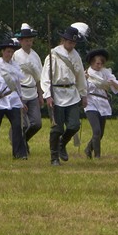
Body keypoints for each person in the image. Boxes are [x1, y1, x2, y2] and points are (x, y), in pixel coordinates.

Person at [41, 26, 88, 165]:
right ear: (64, 40)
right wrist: (47, 95)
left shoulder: (76, 56)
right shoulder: (53, 55)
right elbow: (46, 77)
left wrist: (83, 94)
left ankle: (62, 144)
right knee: (57, 128)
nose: (71, 44)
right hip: (56, 93)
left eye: (73, 42)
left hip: (72, 93)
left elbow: (80, 76)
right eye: (69, 42)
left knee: (74, 125)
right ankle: (54, 157)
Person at [0, 37, 28, 159]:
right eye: (8, 51)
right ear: (2, 51)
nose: (10, 54)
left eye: (12, 52)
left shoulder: (16, 66)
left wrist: (21, 101)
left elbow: (17, 85)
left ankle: (19, 154)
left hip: (13, 100)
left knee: (17, 126)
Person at [83, 48, 118, 159]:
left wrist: (112, 83)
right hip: (91, 102)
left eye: (101, 64)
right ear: (92, 63)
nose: (100, 66)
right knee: (97, 130)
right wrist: (84, 80)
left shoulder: (106, 73)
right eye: (97, 63)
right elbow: (82, 89)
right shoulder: (87, 74)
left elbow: (117, 87)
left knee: (101, 133)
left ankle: (88, 149)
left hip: (103, 102)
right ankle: (97, 156)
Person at [12, 24, 44, 144]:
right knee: (22, 123)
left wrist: (40, 94)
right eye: (26, 41)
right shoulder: (16, 55)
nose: (29, 43)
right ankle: (20, 144)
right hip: (20, 90)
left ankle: (23, 141)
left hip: (33, 92)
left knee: (37, 123)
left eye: (30, 40)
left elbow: (38, 77)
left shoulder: (35, 56)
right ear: (21, 41)